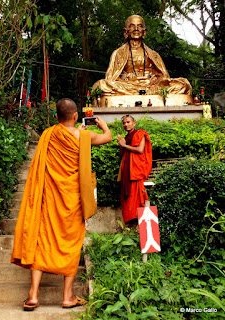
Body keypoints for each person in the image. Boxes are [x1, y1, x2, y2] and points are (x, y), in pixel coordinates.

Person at [11, 98, 112, 311]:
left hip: (50, 198)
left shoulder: (49, 134)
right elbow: (108, 138)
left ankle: (33, 296)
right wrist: (103, 125)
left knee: (42, 241)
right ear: (76, 116)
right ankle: (67, 297)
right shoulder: (84, 135)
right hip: (73, 199)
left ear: (57, 117)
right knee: (72, 243)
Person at [93, 15, 192, 96]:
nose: (136, 29)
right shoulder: (118, 53)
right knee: (101, 85)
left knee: (183, 84)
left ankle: (146, 93)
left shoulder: (153, 54)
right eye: (132, 26)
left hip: (151, 87)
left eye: (139, 26)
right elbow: (110, 78)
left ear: (144, 31)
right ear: (125, 31)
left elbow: (164, 77)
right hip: (129, 86)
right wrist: (127, 79)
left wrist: (154, 80)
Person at [117, 115, 152, 225]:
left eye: (128, 122)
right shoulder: (126, 138)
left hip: (136, 172)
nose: (126, 124)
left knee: (137, 199)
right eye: (124, 123)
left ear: (134, 123)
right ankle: (131, 226)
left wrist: (124, 145)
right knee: (128, 202)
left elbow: (140, 150)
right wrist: (122, 145)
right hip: (128, 172)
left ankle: (141, 225)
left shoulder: (140, 134)